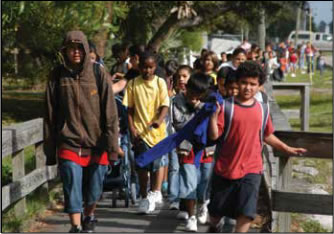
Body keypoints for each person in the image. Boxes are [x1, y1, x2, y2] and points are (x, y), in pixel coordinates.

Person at [207, 61, 307, 233]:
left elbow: (267, 135)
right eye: (244, 82)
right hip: (225, 169)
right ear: (238, 82)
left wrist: (286, 148)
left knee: (247, 212)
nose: (248, 87)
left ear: (260, 86)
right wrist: (213, 118)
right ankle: (213, 226)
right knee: (216, 212)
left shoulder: (262, 109)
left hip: (252, 169)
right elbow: (214, 136)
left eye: (253, 84)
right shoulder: (227, 106)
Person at [44, 31, 119, 233]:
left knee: (94, 188)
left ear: (86, 49)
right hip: (68, 141)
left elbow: (110, 112)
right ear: (64, 51)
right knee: (71, 186)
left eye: (79, 47)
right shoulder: (57, 75)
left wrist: (112, 146)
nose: (75, 52)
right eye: (71, 48)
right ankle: (76, 226)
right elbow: (49, 113)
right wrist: (50, 150)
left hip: (98, 142)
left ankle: (89, 215)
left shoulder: (98, 73)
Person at [122, 51, 170, 214]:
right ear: (139, 66)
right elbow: (129, 109)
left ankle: (154, 193)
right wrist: (132, 128)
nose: (147, 70)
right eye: (144, 67)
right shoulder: (133, 84)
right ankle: (144, 197)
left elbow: (165, 105)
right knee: (142, 167)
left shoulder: (160, 83)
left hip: (157, 133)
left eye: (150, 67)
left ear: (155, 67)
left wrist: (160, 120)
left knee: (157, 165)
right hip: (140, 133)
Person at [171, 72, 215, 232]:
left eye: (198, 95)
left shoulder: (210, 102)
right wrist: (198, 113)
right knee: (189, 183)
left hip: (206, 149)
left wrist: (199, 107)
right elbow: (179, 123)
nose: (193, 97)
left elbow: (213, 122)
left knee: (204, 182)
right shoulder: (177, 101)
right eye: (192, 92)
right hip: (187, 147)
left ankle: (204, 204)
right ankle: (191, 217)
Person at [167, 65, 193, 211]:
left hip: (191, 138)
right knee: (174, 167)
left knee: (187, 169)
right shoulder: (172, 98)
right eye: (179, 77)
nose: (181, 79)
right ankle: (174, 198)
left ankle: (185, 199)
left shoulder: (196, 97)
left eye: (185, 76)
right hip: (174, 136)